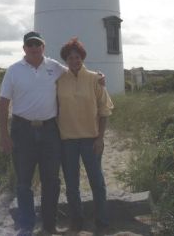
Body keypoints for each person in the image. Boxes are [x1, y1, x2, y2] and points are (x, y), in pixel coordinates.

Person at [0, 31, 66, 236]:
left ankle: (49, 225)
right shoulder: (13, 70)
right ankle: (27, 225)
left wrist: (98, 77)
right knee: (23, 182)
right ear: (24, 48)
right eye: (30, 45)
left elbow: (75, 72)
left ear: (43, 47)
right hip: (22, 131)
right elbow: (3, 104)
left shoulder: (54, 67)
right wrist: (4, 135)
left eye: (38, 45)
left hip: (50, 131)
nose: (34, 48)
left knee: (51, 181)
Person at [56, 38, 114, 233]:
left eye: (78, 57)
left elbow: (104, 110)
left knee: (97, 182)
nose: (74, 60)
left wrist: (100, 138)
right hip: (67, 140)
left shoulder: (95, 79)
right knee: (72, 185)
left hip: (91, 139)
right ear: (65, 59)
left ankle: (102, 219)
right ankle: (77, 220)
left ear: (82, 58)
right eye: (71, 57)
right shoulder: (58, 80)